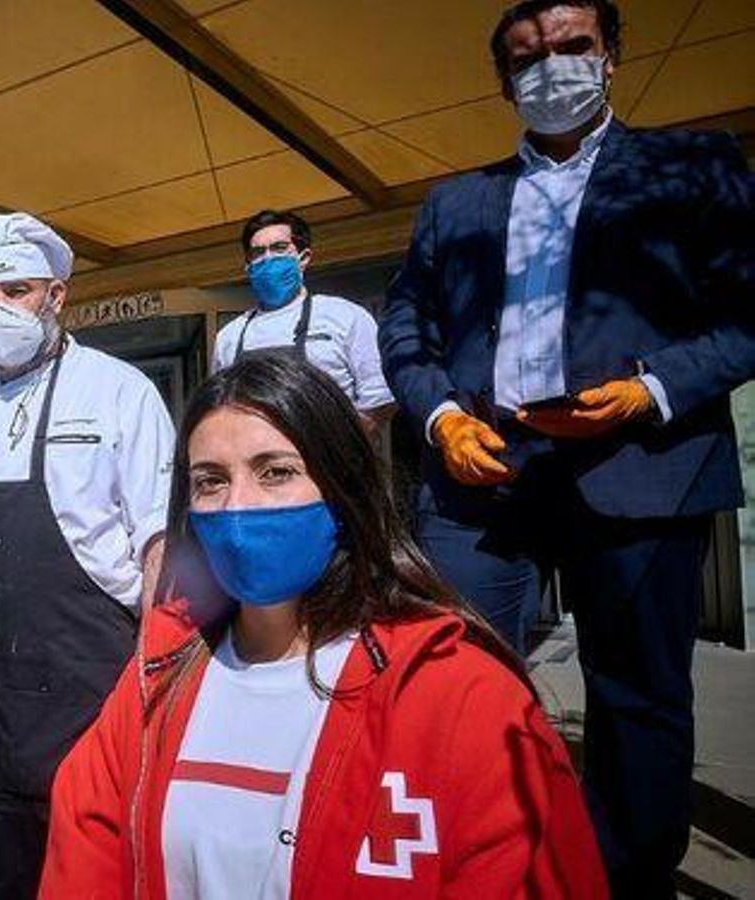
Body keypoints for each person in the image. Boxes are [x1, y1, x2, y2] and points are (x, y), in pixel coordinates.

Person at [378, 1, 754, 892]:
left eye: (573, 47)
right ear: (504, 80)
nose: (553, 67)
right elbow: (407, 324)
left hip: (638, 466)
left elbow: (745, 313)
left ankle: (625, 876)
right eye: (528, 58)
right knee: (454, 675)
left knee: (638, 697)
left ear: (612, 56)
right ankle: (485, 859)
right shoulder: (455, 201)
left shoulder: (690, 166)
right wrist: (440, 417)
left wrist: (650, 389)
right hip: (484, 473)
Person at [41, 354, 608, 898]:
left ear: (342, 490)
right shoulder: (155, 675)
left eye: (277, 472)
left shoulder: (464, 695)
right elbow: (84, 858)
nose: (240, 505)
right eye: (210, 481)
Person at [0, 212, 175, 897]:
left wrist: (159, 669)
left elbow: (158, 541)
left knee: (87, 866)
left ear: (56, 296)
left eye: (15, 292)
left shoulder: (118, 391)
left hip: (89, 677)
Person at [212, 210, 393, 439]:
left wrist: (340, 450)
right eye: (258, 253)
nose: (268, 258)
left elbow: (380, 397)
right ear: (248, 266)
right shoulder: (229, 337)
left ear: (304, 258)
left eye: (279, 248)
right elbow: (220, 409)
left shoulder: (345, 317)